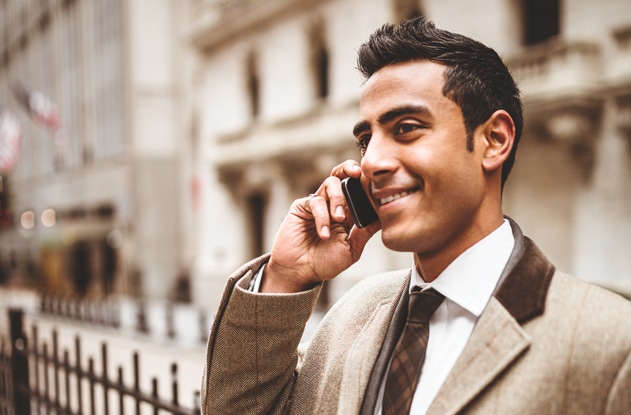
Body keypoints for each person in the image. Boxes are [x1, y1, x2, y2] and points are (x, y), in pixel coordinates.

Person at [200, 17, 631, 415]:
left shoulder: (610, 345)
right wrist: (285, 277)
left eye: (405, 128)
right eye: (366, 139)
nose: (371, 163)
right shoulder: (353, 315)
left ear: (494, 140)